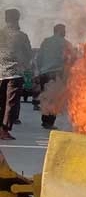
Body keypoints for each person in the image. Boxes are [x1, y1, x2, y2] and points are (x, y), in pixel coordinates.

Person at [35, 24, 75, 130]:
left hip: (44, 72)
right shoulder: (65, 43)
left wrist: (40, 70)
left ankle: (45, 120)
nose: (65, 32)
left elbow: (39, 57)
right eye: (64, 30)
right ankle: (49, 122)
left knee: (46, 97)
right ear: (60, 31)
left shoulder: (46, 42)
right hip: (57, 73)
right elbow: (71, 59)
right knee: (54, 99)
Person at [0, 9, 32, 140]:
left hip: (0, 73)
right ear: (17, 19)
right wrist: (23, 65)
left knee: (1, 102)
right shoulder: (21, 36)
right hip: (14, 74)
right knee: (11, 104)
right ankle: (4, 130)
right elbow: (28, 54)